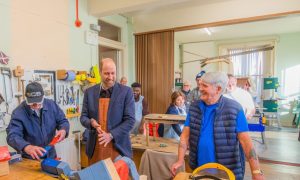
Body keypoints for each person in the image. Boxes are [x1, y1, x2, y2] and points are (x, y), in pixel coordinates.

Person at [171, 72, 264, 180]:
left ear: (218, 89)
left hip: (227, 172)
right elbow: (185, 136)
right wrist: (180, 160)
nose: (199, 88)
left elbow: (247, 143)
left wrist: (256, 171)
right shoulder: (194, 107)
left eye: (204, 86)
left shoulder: (234, 109)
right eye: (200, 84)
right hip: (198, 170)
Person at [80, 58, 135, 165]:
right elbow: (83, 117)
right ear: (100, 73)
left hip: (118, 148)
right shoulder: (89, 92)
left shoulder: (126, 92)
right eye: (106, 73)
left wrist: (110, 135)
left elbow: (130, 120)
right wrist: (91, 123)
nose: (110, 77)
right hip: (95, 149)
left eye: (113, 73)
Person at [6, 82, 69, 160]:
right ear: (26, 98)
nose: (36, 106)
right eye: (32, 103)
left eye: (38, 102)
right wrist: (26, 147)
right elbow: (12, 135)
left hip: (50, 153)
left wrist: (63, 130)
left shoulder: (51, 105)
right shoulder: (18, 113)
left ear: (43, 97)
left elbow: (63, 121)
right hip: (31, 157)